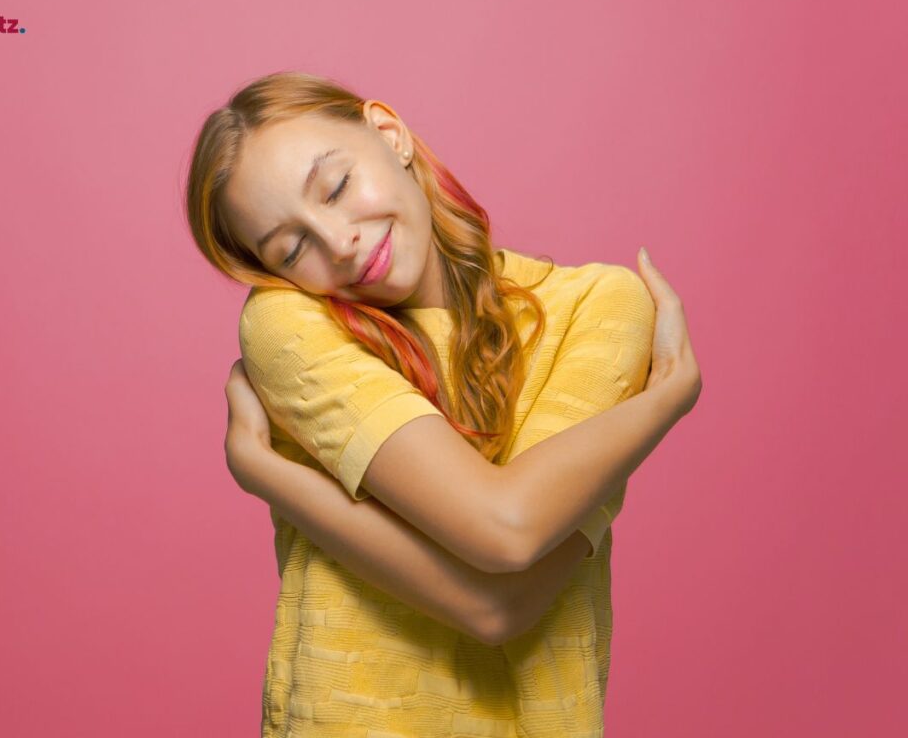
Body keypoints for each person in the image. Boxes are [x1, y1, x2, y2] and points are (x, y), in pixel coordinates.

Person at [185, 71, 701, 738]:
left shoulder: (598, 309)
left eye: (336, 187)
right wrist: (665, 400)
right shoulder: (289, 323)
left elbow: (500, 590)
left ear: (389, 134)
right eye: (291, 248)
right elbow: (508, 540)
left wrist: (267, 472)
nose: (338, 242)